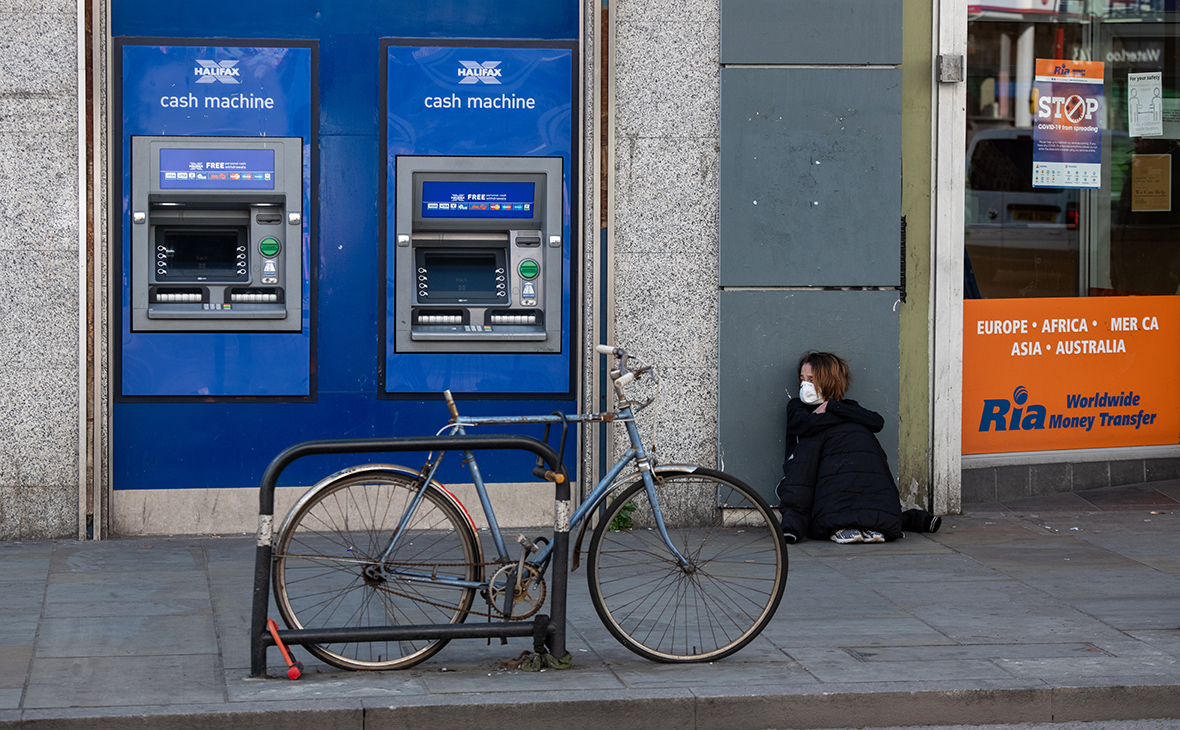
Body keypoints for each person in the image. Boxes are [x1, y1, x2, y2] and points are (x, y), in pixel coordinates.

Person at [776, 351, 941, 544]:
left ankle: (871, 521)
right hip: (816, 471)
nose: (805, 385)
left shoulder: (845, 407)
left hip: (852, 470)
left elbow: (876, 422)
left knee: (858, 437)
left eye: (811, 379)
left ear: (827, 380)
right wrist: (843, 417)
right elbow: (807, 424)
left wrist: (833, 408)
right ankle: (841, 522)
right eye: (802, 379)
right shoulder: (797, 407)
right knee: (846, 430)